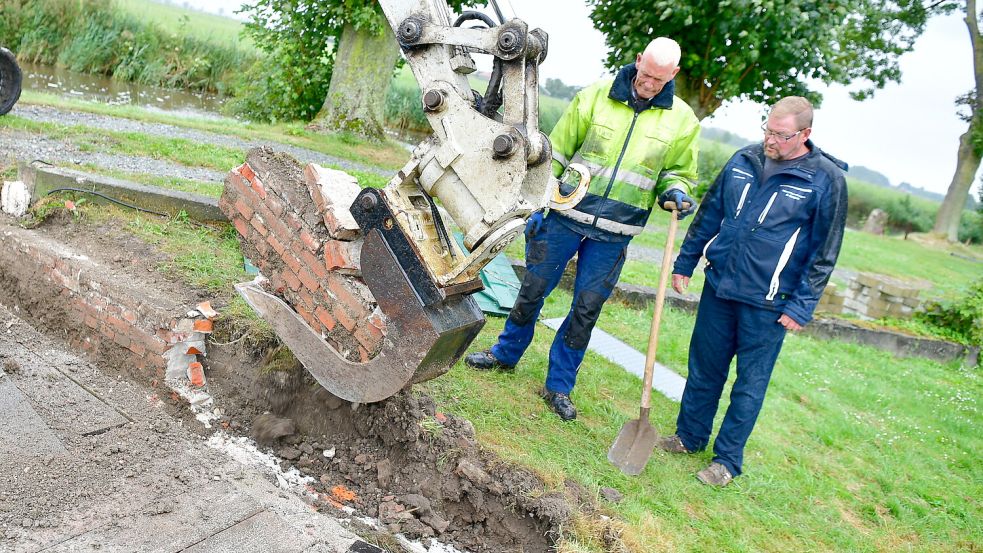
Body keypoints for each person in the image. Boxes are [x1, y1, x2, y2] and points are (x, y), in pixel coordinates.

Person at [464, 37, 700, 422]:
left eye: (659, 79)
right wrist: (540, 200)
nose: (649, 84)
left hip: (615, 232)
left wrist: (676, 191)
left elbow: (679, 172)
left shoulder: (682, 121)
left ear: (672, 75)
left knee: (586, 309)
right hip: (564, 215)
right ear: (638, 60)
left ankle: (559, 386)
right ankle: (505, 354)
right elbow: (555, 153)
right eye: (645, 74)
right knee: (533, 288)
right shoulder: (594, 97)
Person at [660, 96, 848, 486]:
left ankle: (726, 461)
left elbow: (824, 251)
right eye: (768, 130)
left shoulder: (825, 179)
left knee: (749, 384)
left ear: (805, 134)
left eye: (781, 135)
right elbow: (711, 212)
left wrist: (801, 306)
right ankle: (689, 436)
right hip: (720, 285)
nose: (771, 140)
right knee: (704, 369)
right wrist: (686, 262)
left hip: (769, 302)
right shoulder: (744, 160)